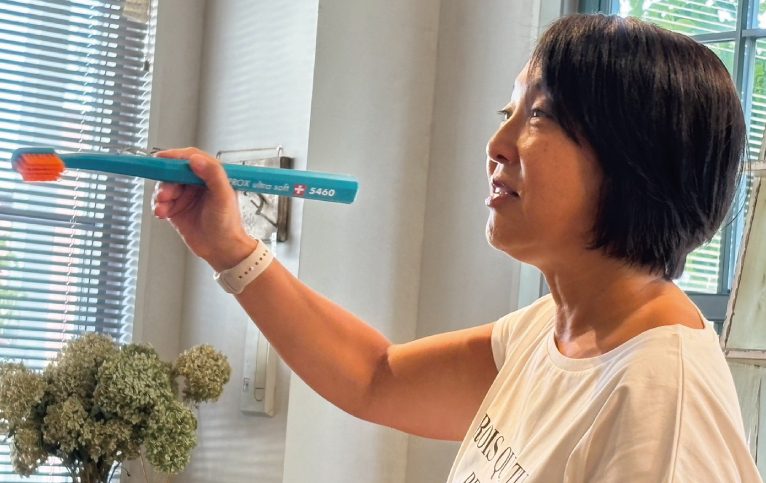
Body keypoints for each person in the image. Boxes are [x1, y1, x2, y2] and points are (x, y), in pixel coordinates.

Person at [152, 13, 761, 483]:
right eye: (508, 111)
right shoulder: (551, 331)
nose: (498, 143)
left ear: (636, 162)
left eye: (540, 116)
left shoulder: (660, 406)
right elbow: (375, 377)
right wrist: (230, 248)